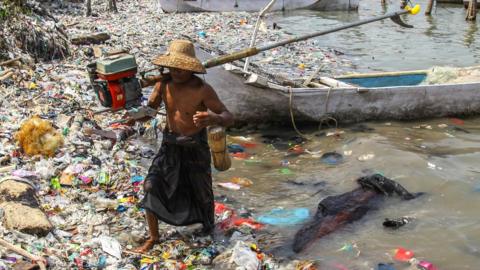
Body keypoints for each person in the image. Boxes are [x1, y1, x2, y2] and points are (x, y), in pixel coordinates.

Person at [133, 40, 234, 253]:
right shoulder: (163, 85)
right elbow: (149, 112)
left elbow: (228, 117)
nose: (177, 71)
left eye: (182, 67)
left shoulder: (203, 90)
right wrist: (133, 117)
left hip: (195, 148)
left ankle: (209, 229)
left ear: (190, 67)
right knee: (151, 186)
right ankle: (153, 237)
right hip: (170, 146)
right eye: (173, 67)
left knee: (202, 193)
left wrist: (213, 118)